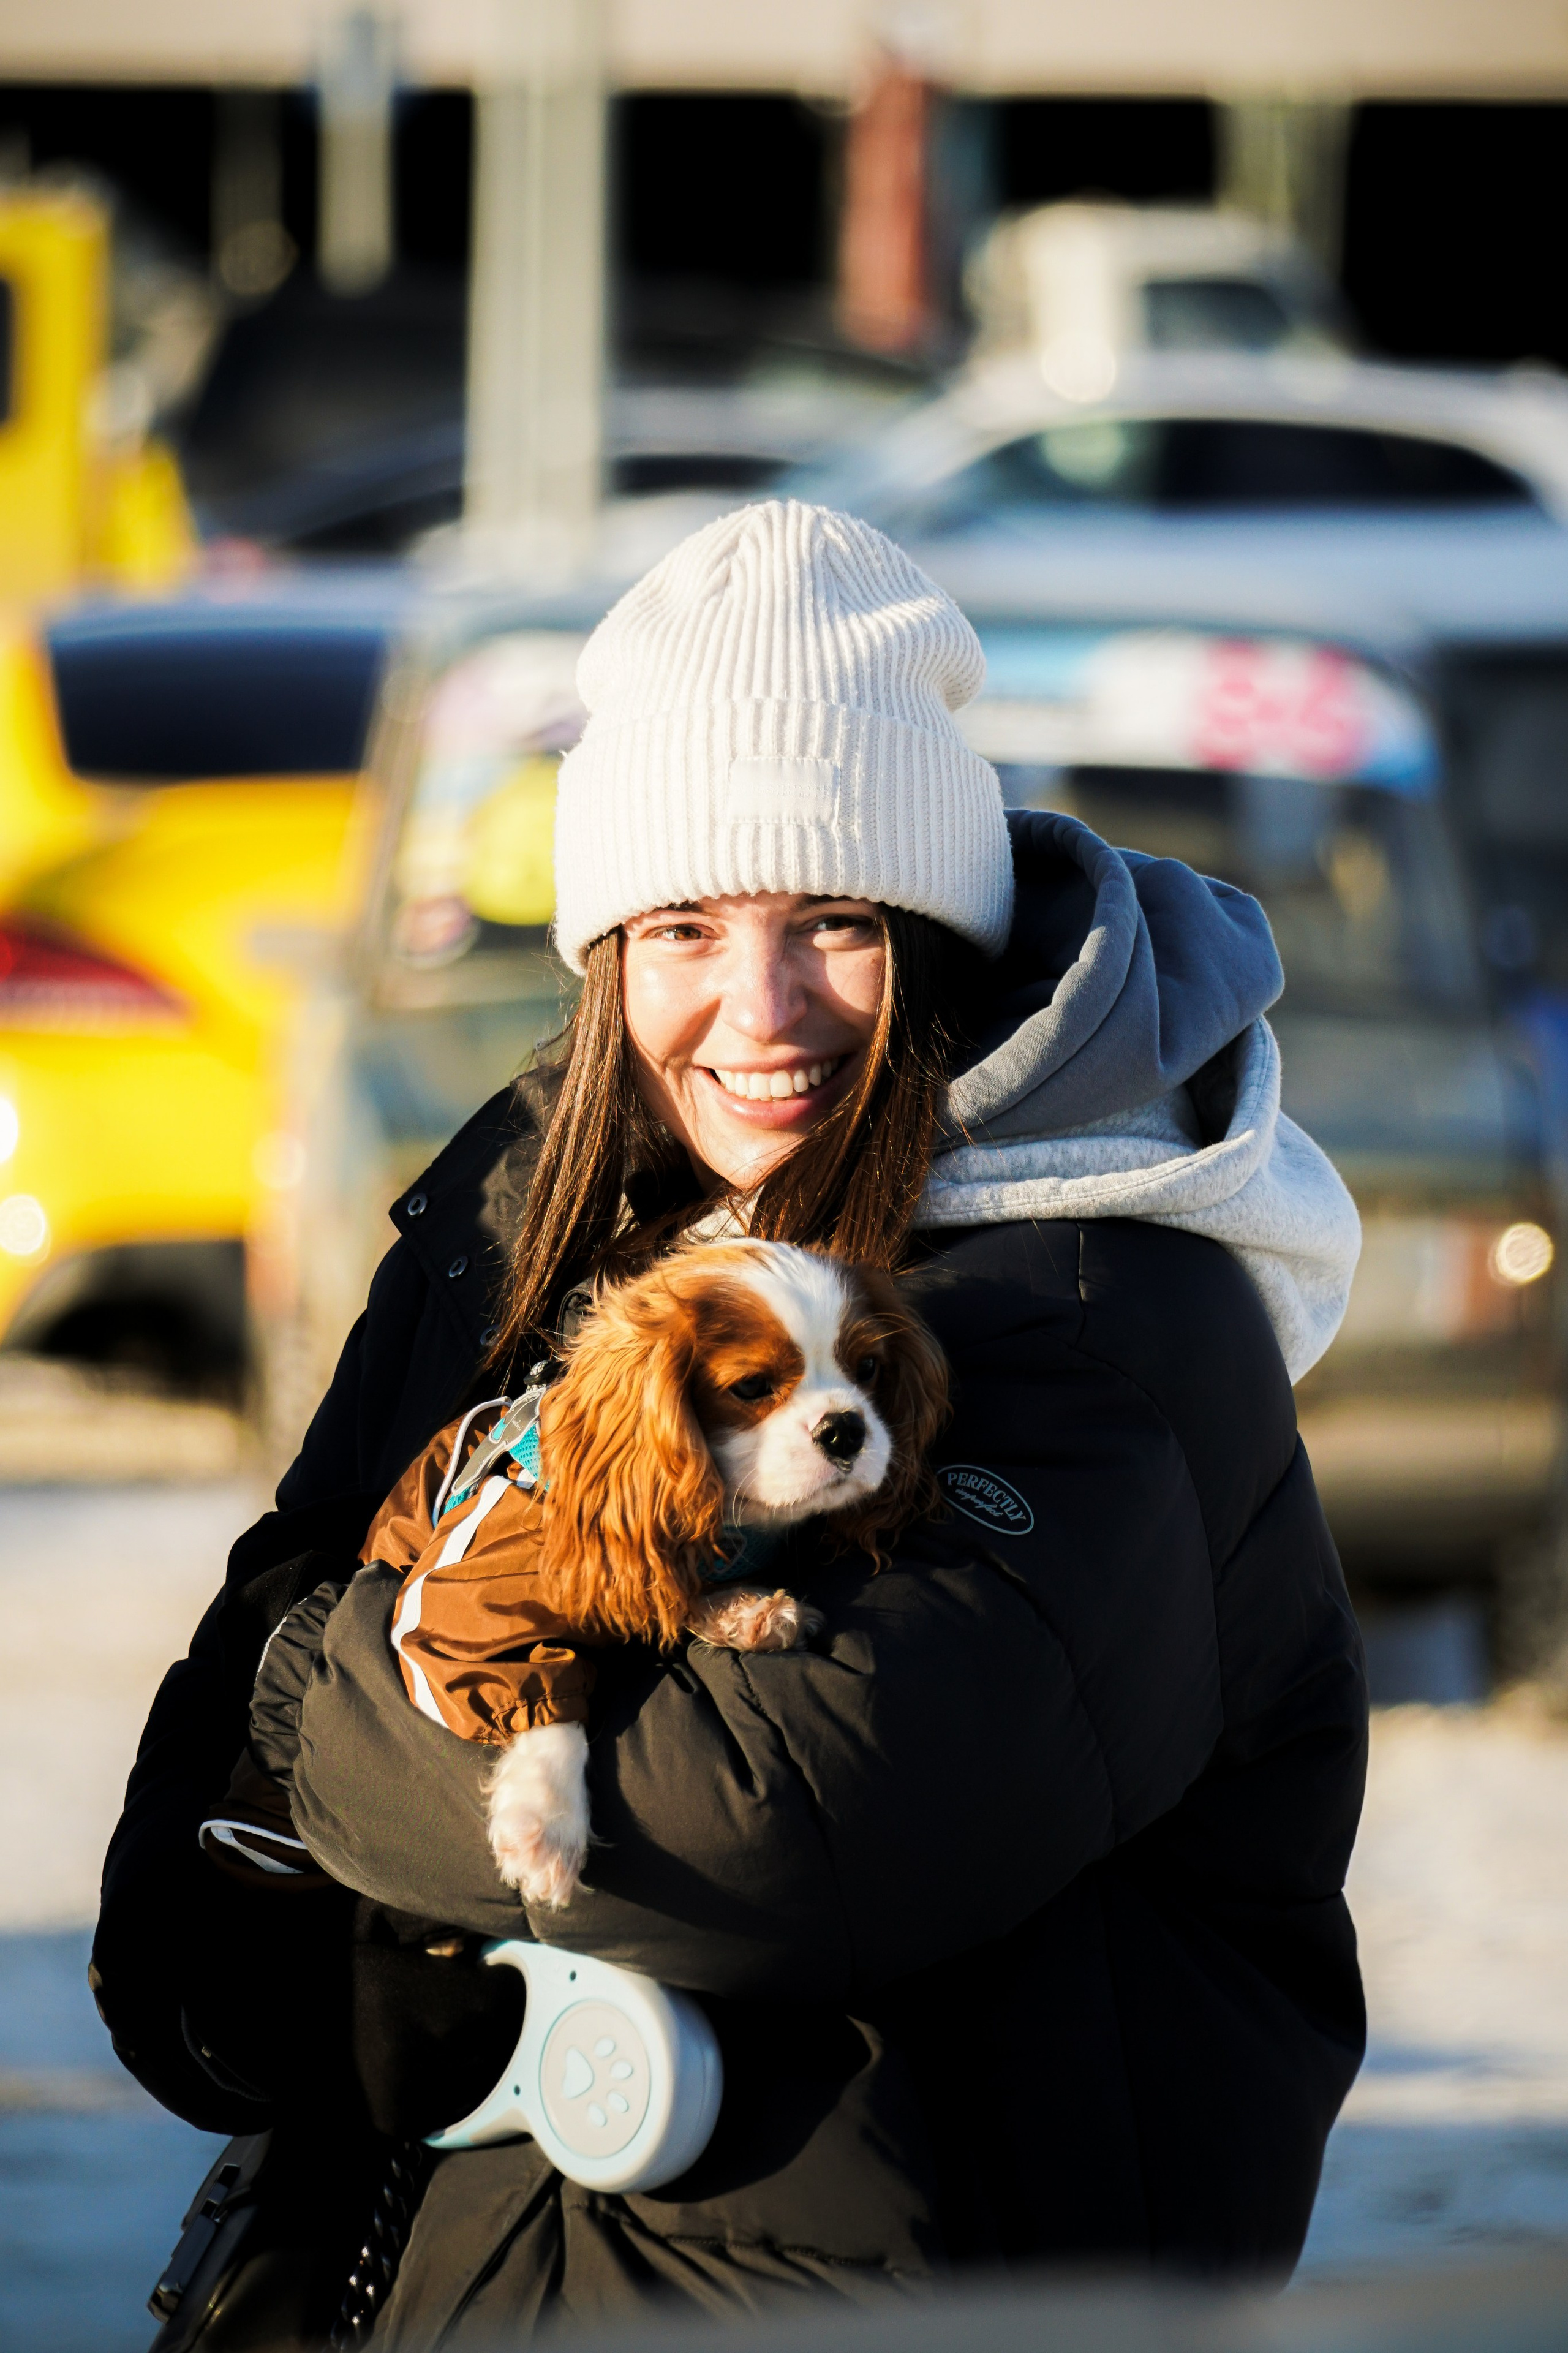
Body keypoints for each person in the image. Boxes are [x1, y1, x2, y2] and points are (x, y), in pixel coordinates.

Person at [96, 502, 1368, 2346]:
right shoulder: (528, 1215)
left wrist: (323, 1706)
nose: (757, 1011)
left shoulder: (1096, 1299)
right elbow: (272, 1624)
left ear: (934, 938)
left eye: (835, 920)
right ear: (607, 948)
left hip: (917, 2293)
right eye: (684, 923)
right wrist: (255, 1952)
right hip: (480, 2267)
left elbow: (778, 1816)